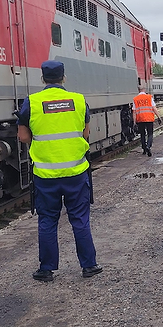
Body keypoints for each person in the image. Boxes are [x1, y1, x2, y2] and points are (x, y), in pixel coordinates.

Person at [17, 60, 102, 281]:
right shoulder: (78, 100)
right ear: (64, 78)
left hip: (46, 175)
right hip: (76, 173)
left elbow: (23, 136)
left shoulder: (32, 102)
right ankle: (89, 266)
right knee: (80, 220)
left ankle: (46, 270)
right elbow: (85, 133)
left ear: (42, 78)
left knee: (47, 221)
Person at [133, 85, 161, 156]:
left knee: (142, 134)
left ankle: (144, 149)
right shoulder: (149, 97)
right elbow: (154, 108)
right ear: (144, 89)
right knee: (150, 134)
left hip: (140, 119)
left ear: (138, 90)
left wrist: (134, 121)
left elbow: (134, 111)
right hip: (149, 119)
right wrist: (159, 117)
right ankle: (148, 146)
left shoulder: (135, 99)